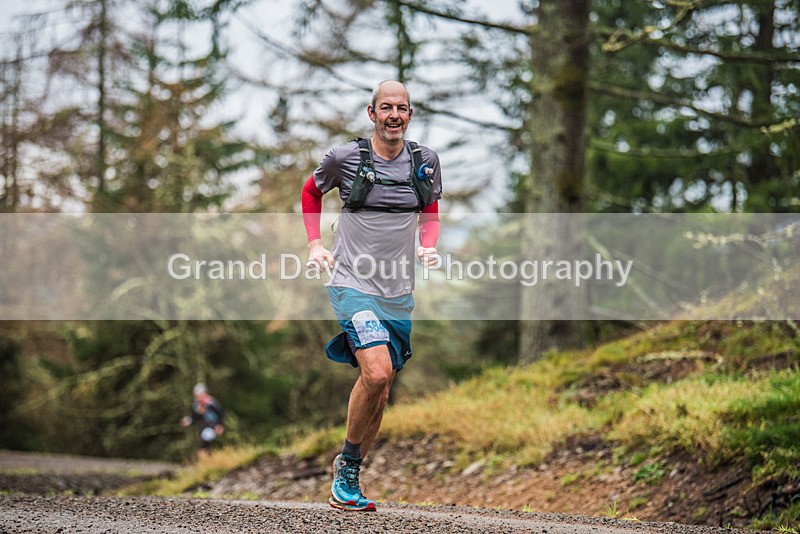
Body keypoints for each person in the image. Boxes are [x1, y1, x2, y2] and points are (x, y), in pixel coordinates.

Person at [301, 80, 442, 511]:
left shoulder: (425, 162)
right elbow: (310, 191)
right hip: (351, 282)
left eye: (402, 108)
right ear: (372, 113)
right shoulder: (346, 157)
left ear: (410, 114)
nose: (394, 115)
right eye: (386, 107)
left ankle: (349, 466)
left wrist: (428, 244)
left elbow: (430, 210)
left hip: (398, 290)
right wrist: (314, 245)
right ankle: (346, 470)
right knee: (377, 372)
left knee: (381, 387)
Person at [180, 382, 225, 459]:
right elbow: (194, 417)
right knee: (205, 440)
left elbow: (221, 414)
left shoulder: (213, 403)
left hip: (213, 426)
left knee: (208, 438)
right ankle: (206, 459)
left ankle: (209, 457)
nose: (198, 398)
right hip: (203, 427)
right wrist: (188, 420)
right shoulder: (196, 405)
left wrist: (219, 425)